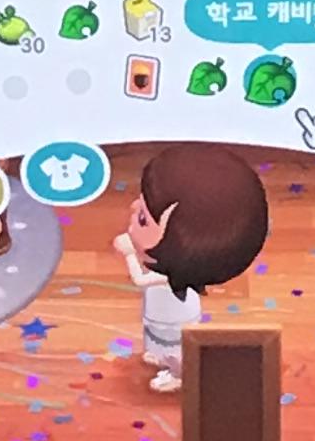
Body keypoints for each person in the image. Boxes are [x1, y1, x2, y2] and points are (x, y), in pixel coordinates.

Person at [115, 142, 270, 394]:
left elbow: (140, 280)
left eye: (143, 218)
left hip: (173, 321)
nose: (133, 208)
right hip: (159, 316)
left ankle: (178, 375)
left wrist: (129, 253)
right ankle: (160, 355)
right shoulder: (171, 271)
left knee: (176, 350)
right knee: (159, 340)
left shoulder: (172, 276)